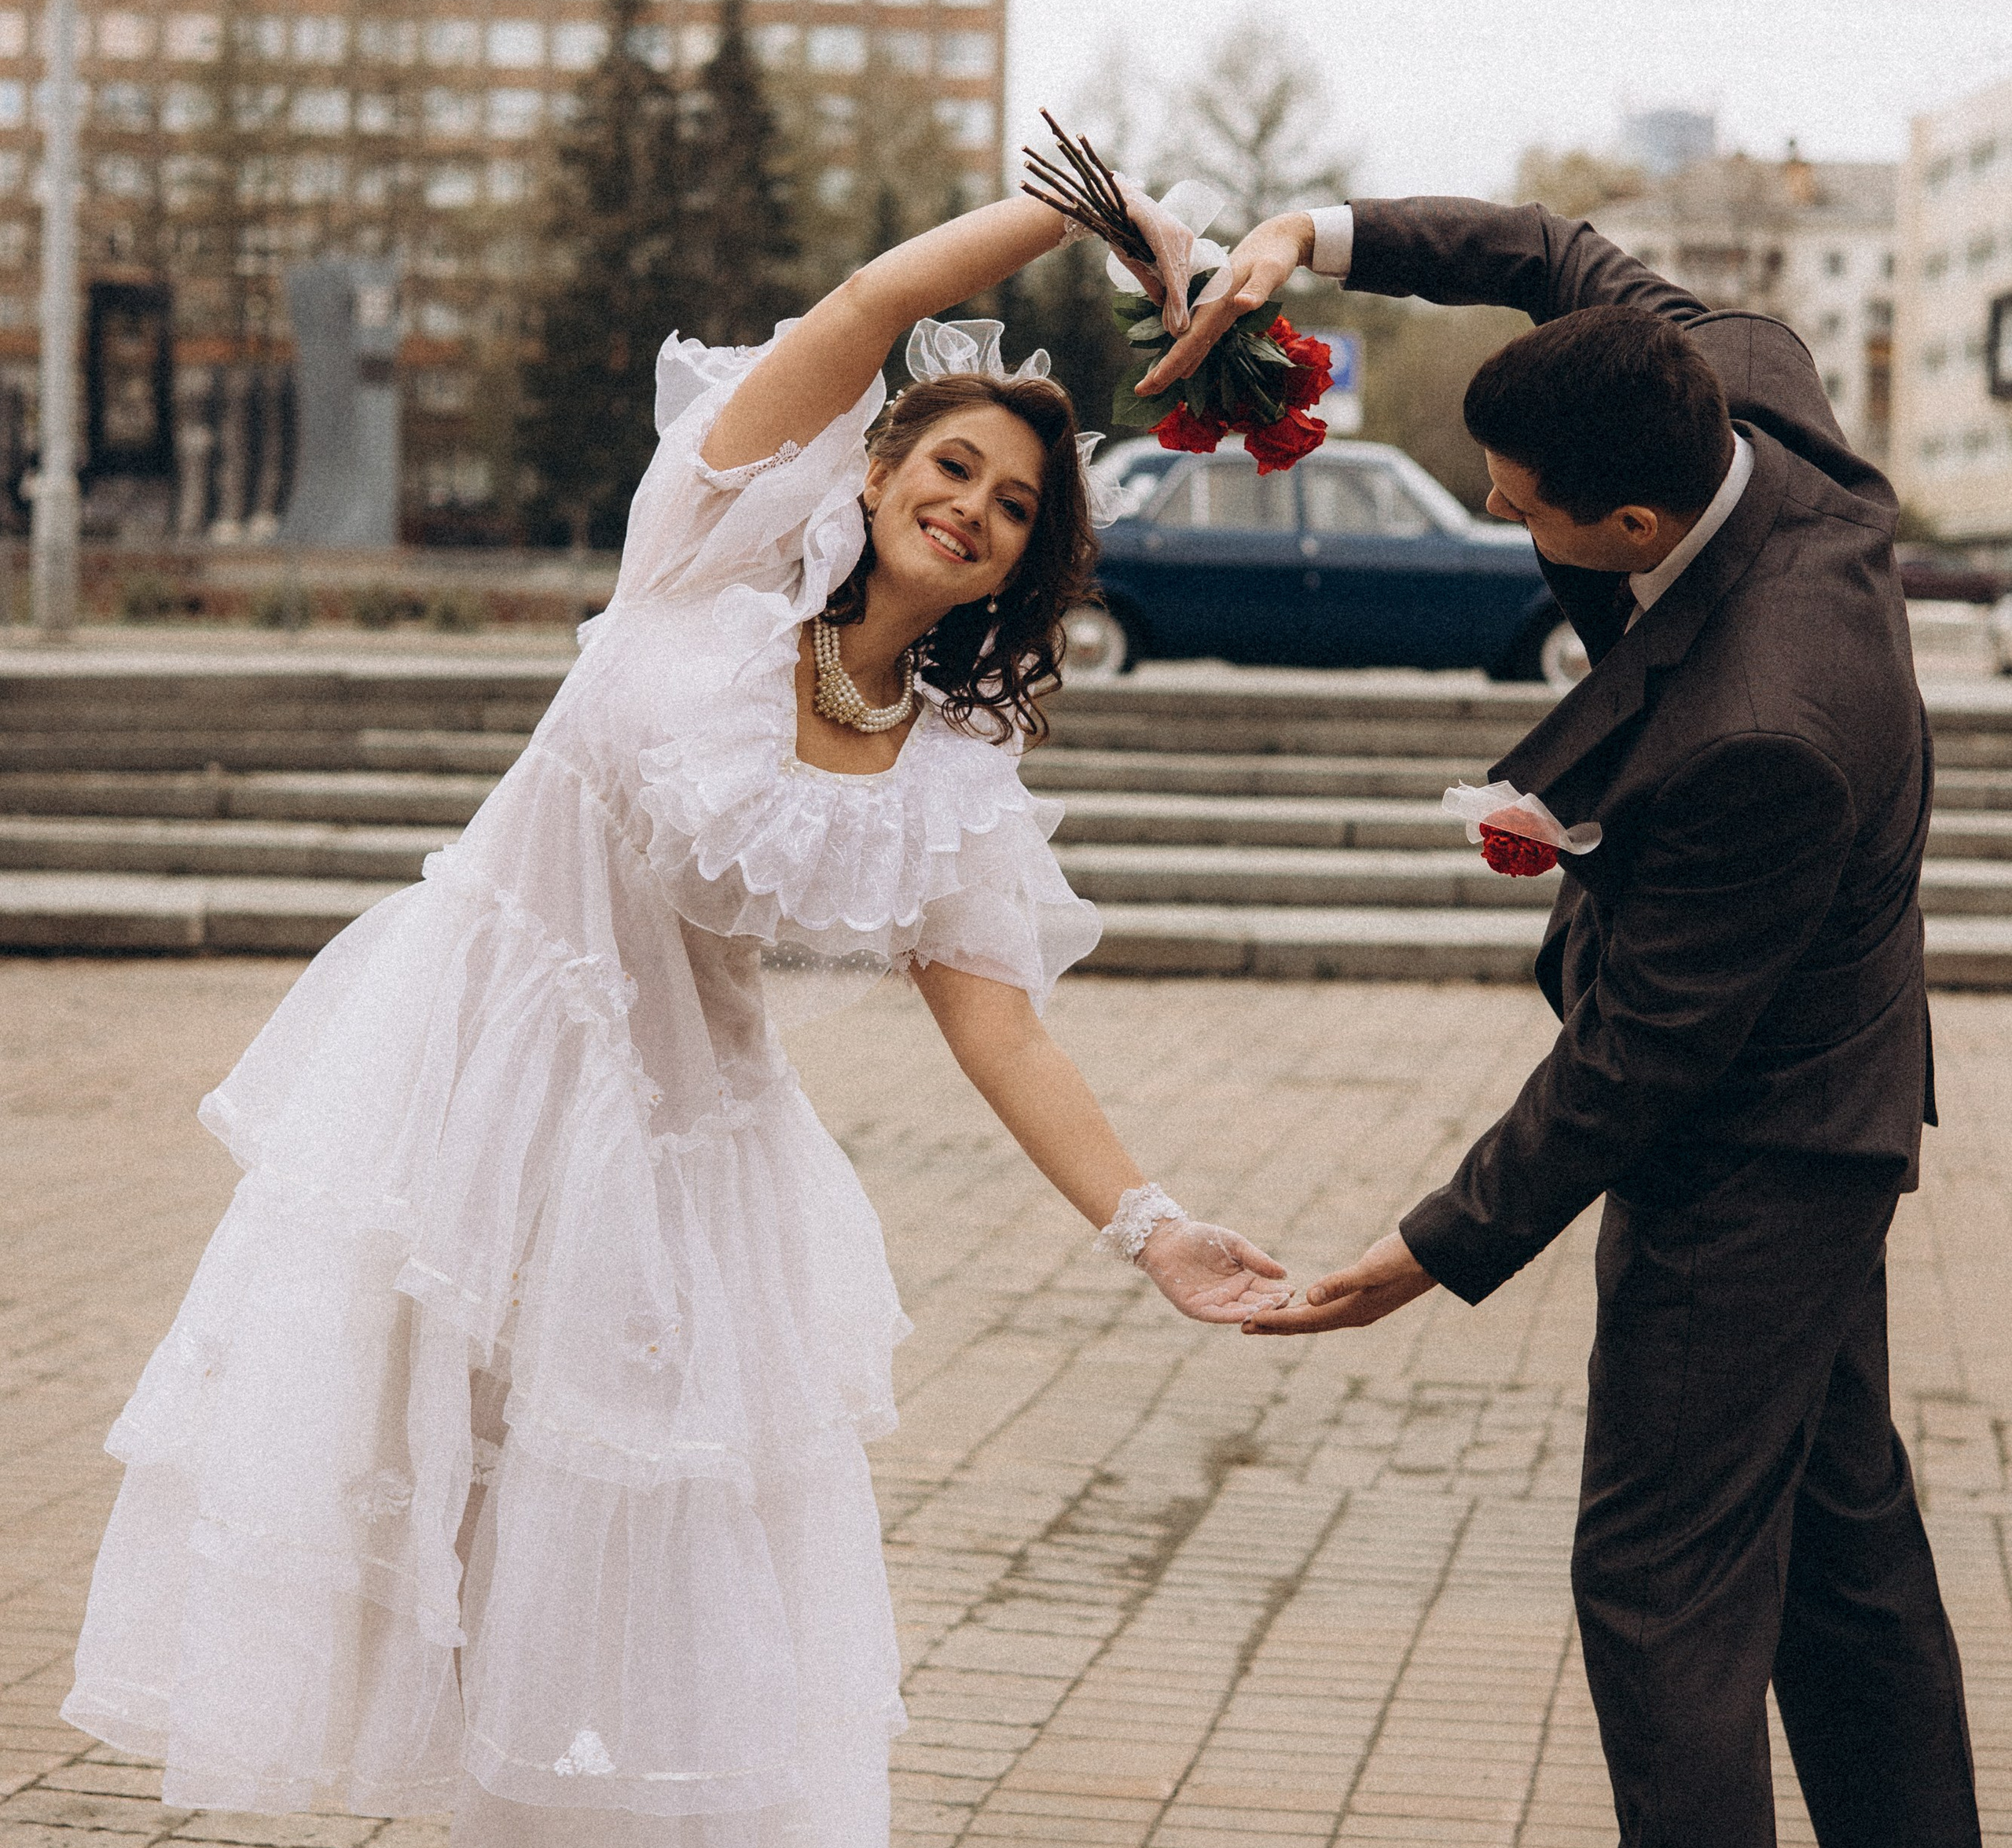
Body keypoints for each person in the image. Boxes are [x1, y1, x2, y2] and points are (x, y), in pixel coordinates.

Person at [61, 193, 1290, 1847]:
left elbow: (1005, 1033)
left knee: (624, 1559)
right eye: (948, 468)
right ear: (870, 466)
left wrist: (1149, 1225)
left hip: (673, 1165)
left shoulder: (945, 775)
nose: (970, 509)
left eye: (1012, 508)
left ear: (1022, 559)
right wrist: (1073, 218)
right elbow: (864, 302)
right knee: (417, 1494)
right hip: (459, 1087)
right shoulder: (699, 561)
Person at [1153, 197, 1982, 1846]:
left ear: (1623, 515)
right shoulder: (1731, 375)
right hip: (1832, 1074)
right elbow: (1550, 249)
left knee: (1657, 1579)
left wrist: (1424, 1244)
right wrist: (1306, 240)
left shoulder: (1767, 723)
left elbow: (1641, 1061)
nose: (1487, 506)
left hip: (1754, 1142)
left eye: (1515, 504)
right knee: (1837, 1541)